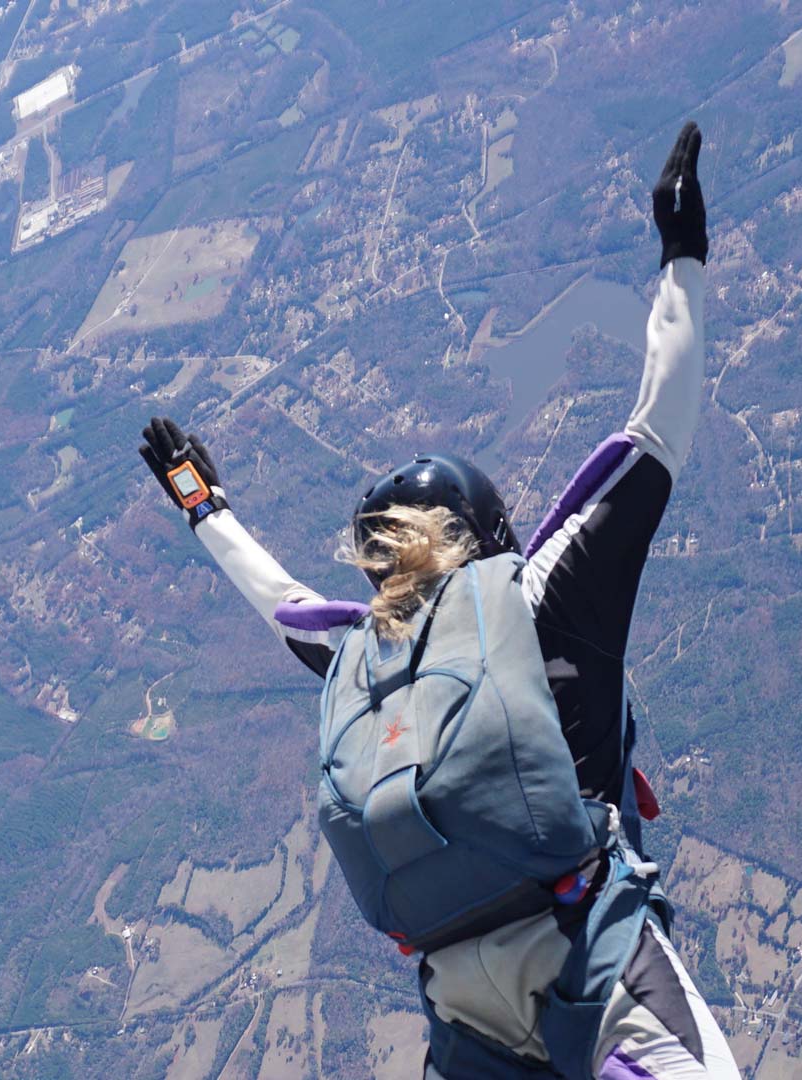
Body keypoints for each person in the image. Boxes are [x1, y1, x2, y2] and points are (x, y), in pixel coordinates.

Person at [136, 122, 739, 1080]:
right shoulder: (540, 596)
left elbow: (284, 605)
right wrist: (683, 254)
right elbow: (656, 427)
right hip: (593, 954)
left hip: (461, 1005)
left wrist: (201, 506)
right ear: (489, 531)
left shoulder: (366, 659)